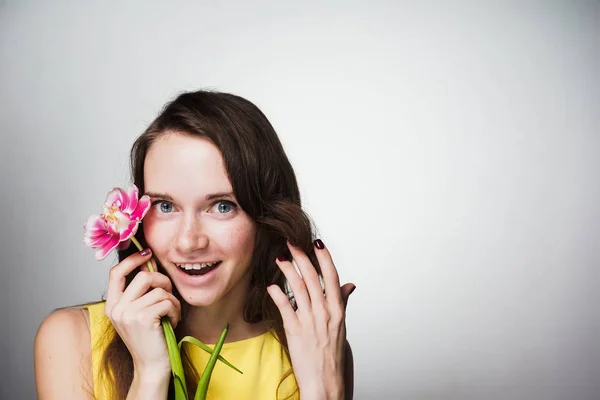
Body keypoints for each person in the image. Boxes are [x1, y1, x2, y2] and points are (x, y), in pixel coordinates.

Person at [34, 90, 356, 399]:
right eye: (165, 206)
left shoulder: (315, 346)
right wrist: (149, 374)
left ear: (265, 216)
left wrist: (323, 394)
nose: (189, 241)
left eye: (222, 206)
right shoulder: (71, 341)